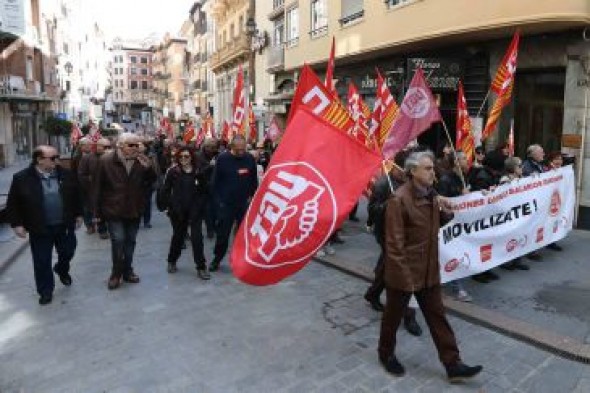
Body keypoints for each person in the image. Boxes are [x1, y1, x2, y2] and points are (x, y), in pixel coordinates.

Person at [378, 150, 482, 381]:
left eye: (433, 168)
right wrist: (405, 280)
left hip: (428, 270)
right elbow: (394, 246)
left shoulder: (430, 194)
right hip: (404, 274)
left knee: (437, 316)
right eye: (427, 168)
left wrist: (447, 212)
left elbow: (434, 224)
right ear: (413, 171)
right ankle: (386, 354)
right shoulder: (399, 200)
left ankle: (453, 363)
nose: (432, 171)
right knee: (393, 317)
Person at [6, 145, 83, 305]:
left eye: (58, 157)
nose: (58, 160)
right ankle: (45, 290)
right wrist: (17, 224)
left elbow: (75, 195)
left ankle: (62, 269)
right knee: (42, 260)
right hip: (39, 227)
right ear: (39, 160)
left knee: (68, 251)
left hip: (64, 225)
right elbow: (13, 204)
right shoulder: (22, 178)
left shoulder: (66, 174)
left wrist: (79, 214)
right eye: (53, 158)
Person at [365, 150, 423, 336]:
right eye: (408, 167)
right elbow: (372, 210)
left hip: (409, 235)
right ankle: (409, 316)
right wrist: (388, 205)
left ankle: (373, 293)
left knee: (388, 268)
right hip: (388, 235)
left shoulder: (411, 182)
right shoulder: (383, 184)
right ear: (398, 166)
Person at [93, 133, 157, 290]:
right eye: (131, 145)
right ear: (120, 145)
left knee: (130, 241)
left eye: (138, 145)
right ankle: (116, 274)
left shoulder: (141, 161)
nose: (136, 148)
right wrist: (96, 213)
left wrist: (149, 168)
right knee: (118, 240)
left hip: (134, 208)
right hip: (113, 209)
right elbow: (96, 188)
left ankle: (127, 271)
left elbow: (153, 181)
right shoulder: (105, 160)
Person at [161, 147, 212, 279]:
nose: (184, 159)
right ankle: (172, 261)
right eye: (181, 156)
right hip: (178, 211)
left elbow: (204, 190)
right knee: (178, 238)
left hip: (195, 211)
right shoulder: (173, 172)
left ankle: (201, 267)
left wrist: (201, 205)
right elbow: (165, 190)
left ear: (191, 157)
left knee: (197, 239)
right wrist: (167, 206)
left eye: (186, 156)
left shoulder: (198, 171)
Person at [210, 134, 258, 272]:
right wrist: (219, 202)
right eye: (238, 150)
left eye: (243, 149)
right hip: (226, 205)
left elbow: (253, 179)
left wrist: (252, 196)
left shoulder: (249, 158)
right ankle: (217, 259)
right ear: (231, 147)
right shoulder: (222, 159)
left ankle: (242, 260)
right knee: (223, 235)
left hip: (243, 203)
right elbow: (214, 183)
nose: (241, 152)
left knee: (244, 234)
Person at [435, 151, 473, 302]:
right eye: (464, 158)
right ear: (456, 162)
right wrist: (460, 195)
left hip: (460, 222)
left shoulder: (464, 176)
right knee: (452, 255)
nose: (467, 160)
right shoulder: (445, 180)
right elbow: (442, 204)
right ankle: (458, 288)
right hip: (448, 225)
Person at [498, 156, 531, 271]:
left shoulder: (522, 178)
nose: (522, 167)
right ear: (512, 168)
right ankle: (506, 261)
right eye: (519, 165)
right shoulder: (505, 180)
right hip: (509, 213)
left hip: (520, 211)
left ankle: (517, 259)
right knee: (509, 237)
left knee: (519, 235)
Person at [78, 137, 111, 239]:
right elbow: (81, 174)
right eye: (103, 146)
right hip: (93, 190)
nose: (105, 149)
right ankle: (102, 229)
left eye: (107, 147)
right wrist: (90, 182)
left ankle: (110, 227)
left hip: (109, 190)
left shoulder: (112, 157)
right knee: (97, 210)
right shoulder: (87, 158)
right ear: (97, 146)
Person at [201, 138, 220, 239]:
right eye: (210, 147)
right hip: (204, 187)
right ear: (206, 147)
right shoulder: (199, 156)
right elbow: (199, 171)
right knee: (208, 210)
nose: (212, 149)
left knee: (216, 208)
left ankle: (215, 226)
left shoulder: (218, 154)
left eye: (214, 147)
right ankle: (210, 229)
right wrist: (210, 166)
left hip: (217, 186)